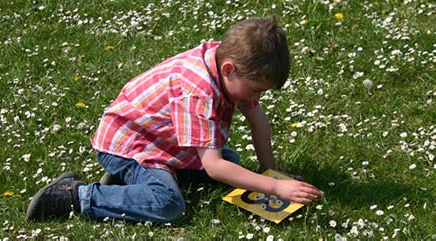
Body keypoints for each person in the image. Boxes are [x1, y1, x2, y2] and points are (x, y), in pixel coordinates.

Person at [26, 16, 323, 223]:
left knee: (230, 159)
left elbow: (256, 116)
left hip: (162, 141)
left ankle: (126, 185)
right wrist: (274, 189)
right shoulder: (198, 91)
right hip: (129, 145)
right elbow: (214, 166)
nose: (256, 98)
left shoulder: (227, 63)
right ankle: (73, 195)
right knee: (168, 204)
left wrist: (271, 172)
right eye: (256, 90)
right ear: (230, 70)